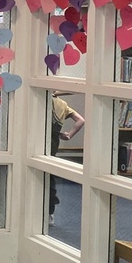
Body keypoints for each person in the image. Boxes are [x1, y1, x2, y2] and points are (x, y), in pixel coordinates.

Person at [48, 92, 86, 225]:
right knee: (48, 176)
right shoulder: (62, 104)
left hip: (35, 140)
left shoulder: (37, 99)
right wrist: (69, 135)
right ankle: (49, 212)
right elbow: (81, 120)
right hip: (52, 144)